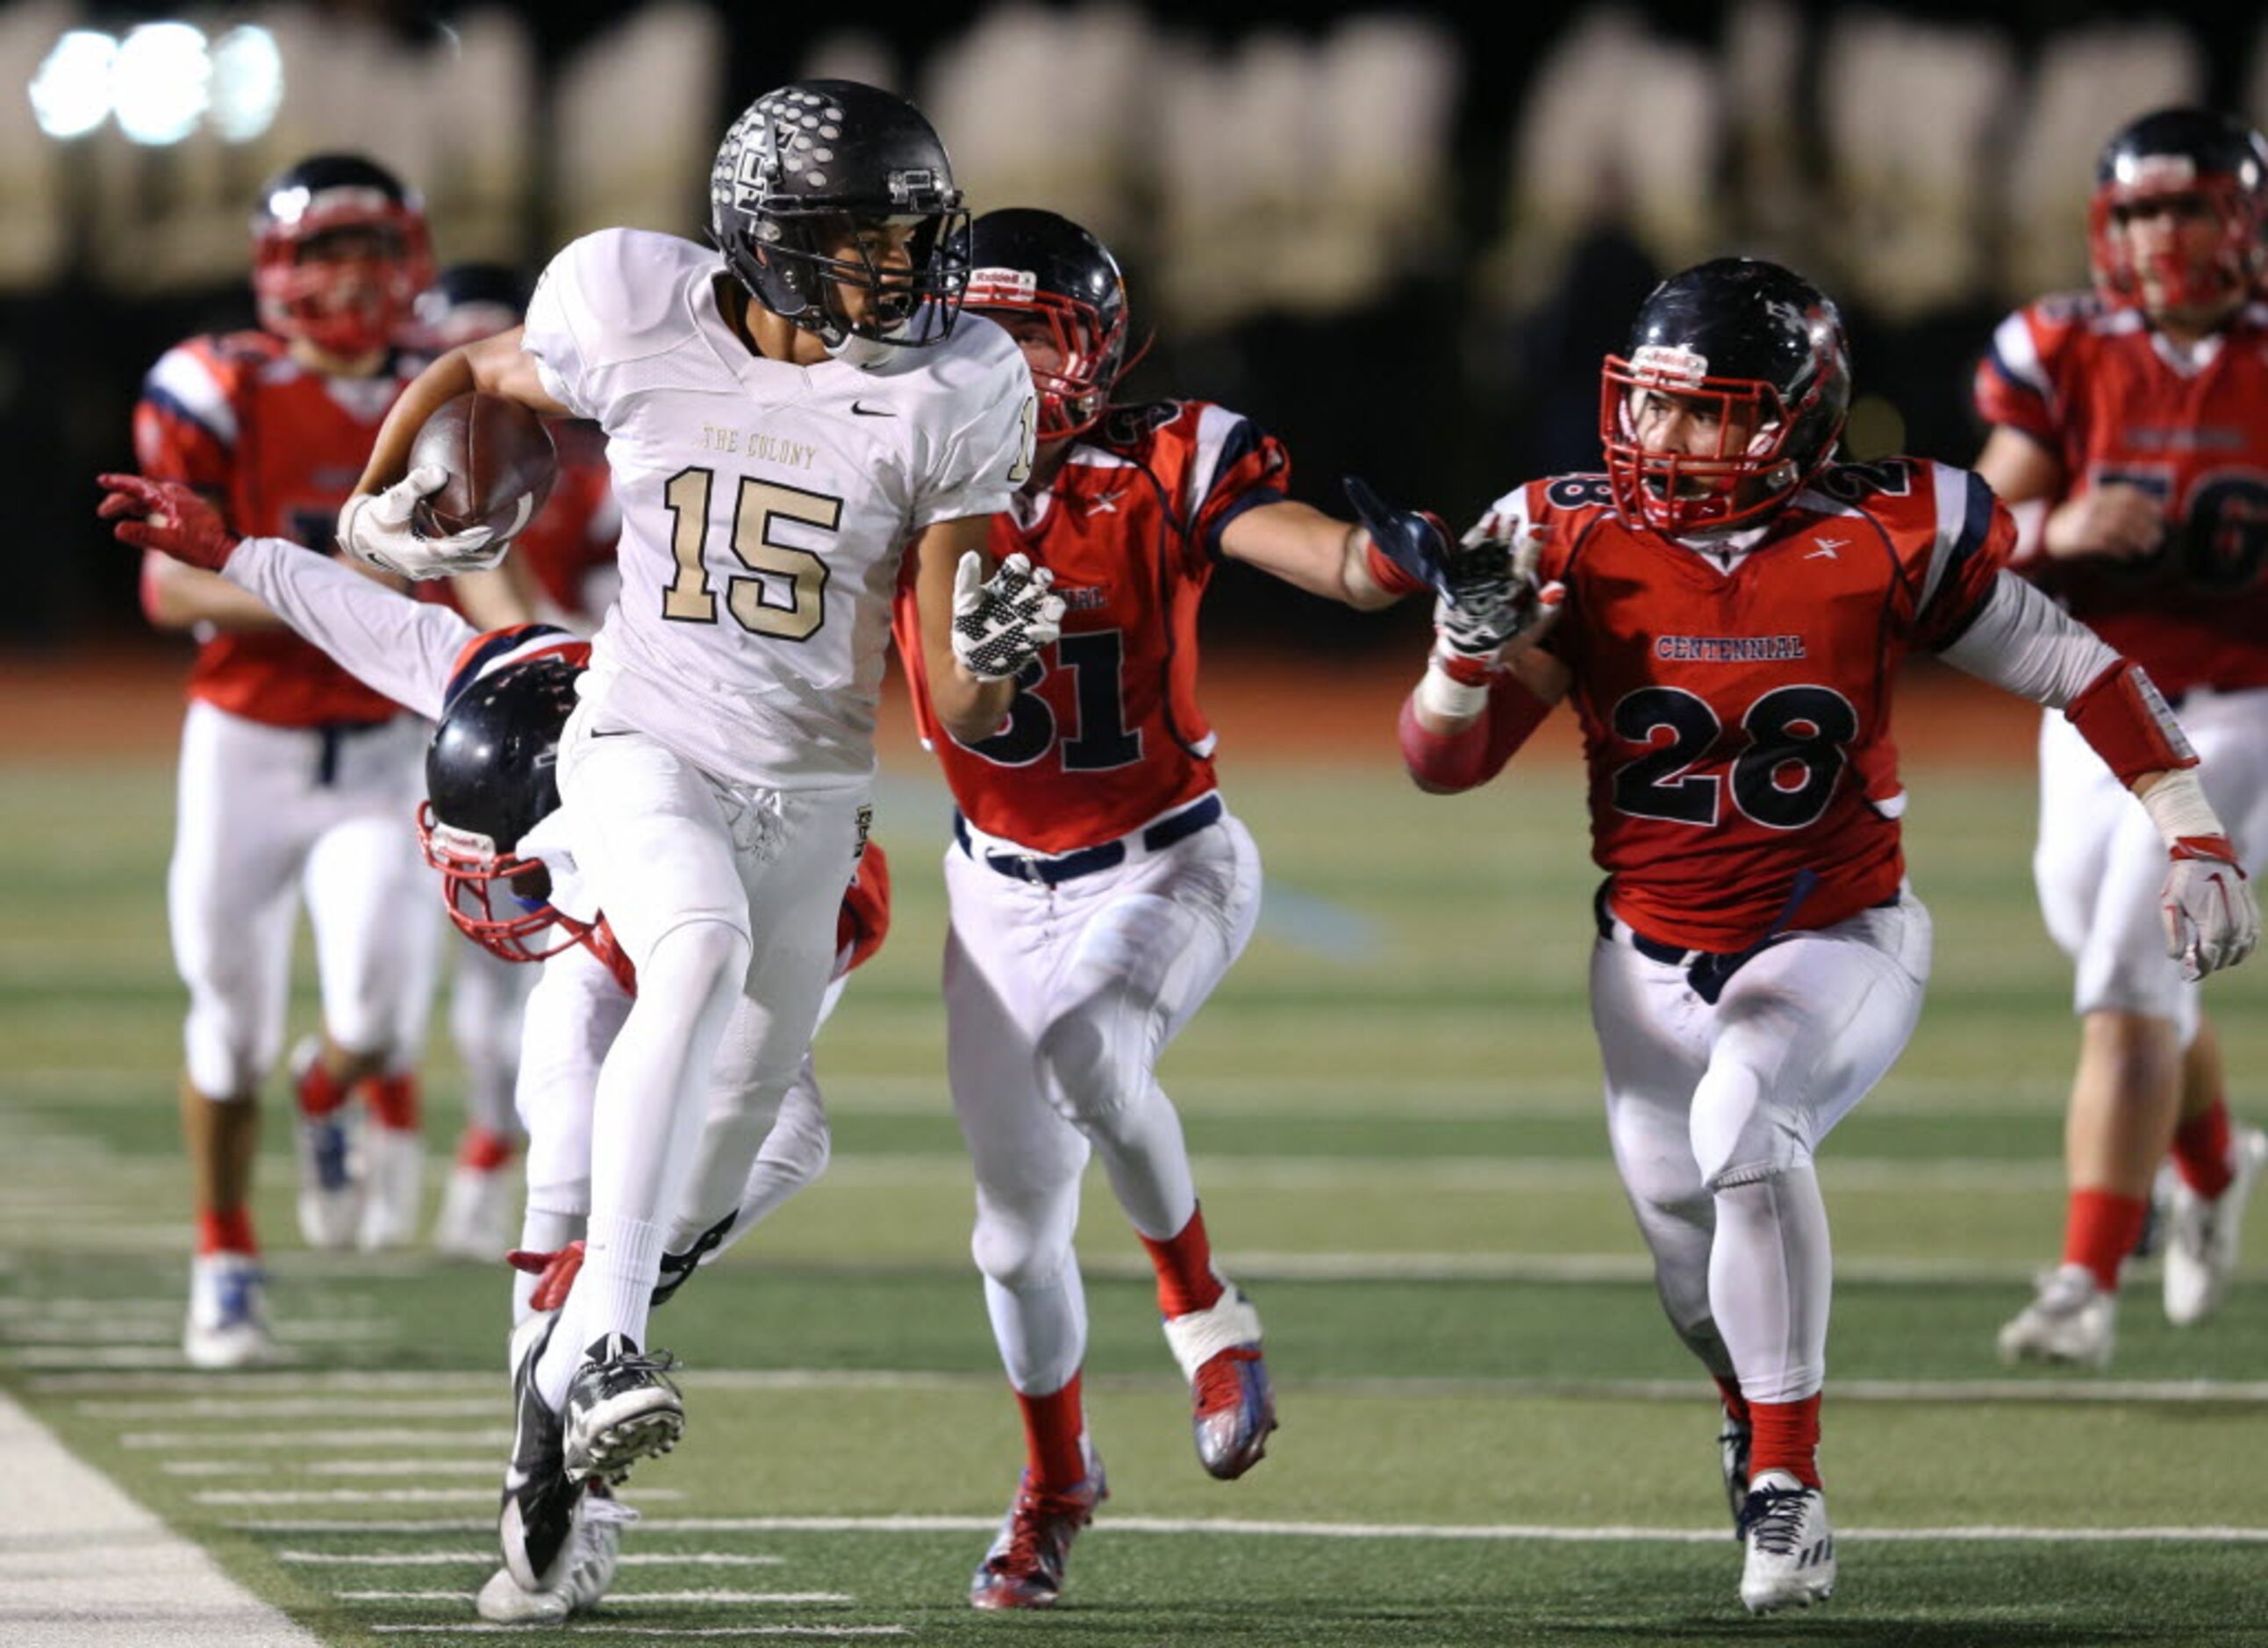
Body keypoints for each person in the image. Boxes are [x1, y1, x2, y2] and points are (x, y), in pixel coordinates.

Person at [1387, 257, 2257, 1614]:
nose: (1662, 443)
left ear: (1795, 419)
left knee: (1748, 1121)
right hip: (1643, 959)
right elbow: (1447, 766)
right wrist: (1459, 654)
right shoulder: (1569, 534)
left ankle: (1790, 1491)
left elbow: (2078, 668)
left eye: (1707, 413)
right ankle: (1752, 1417)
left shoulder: (1884, 536)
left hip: (1834, 927)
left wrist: (2191, 821)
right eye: (1651, 408)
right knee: (1693, 1275)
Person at [329, 77, 1041, 1567]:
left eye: (909, 237)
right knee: (692, 952)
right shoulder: (635, 301)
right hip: (640, 740)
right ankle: (598, 1354)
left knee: (723, 1155)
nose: (898, 269)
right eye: (861, 238)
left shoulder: (955, 383)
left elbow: (959, 702)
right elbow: (477, 369)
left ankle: (557, 1399)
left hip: (815, 796)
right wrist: (374, 507)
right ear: (768, 240)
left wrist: (1004, 667)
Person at [94, 472, 888, 1622]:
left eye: (517, 857)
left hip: (739, 932)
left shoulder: (803, 873)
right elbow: (399, 633)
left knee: (762, 1146)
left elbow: (748, 1065)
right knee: (561, 1181)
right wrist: (241, 553)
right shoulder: (525, 675)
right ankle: (561, 1455)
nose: (499, 882)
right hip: (618, 947)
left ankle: (581, 1367)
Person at [887, 208, 1430, 1609]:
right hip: (992, 880)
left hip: (1163, 857)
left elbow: (1298, 546)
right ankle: (1057, 1479)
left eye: (1038, 332)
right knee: (1010, 1235)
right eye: (985, 328)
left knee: (1089, 1045)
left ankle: (1201, 1305)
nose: (1008, 360)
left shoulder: (1164, 452)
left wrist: (1383, 569)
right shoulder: (892, 453)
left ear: (1099, 348)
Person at [133, 153, 454, 1366]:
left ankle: (334, 1088)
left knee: (374, 1011)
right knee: (228, 1023)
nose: (355, 278)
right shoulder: (214, 386)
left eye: (374, 250)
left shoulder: (440, 386)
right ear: (279, 267)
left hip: (380, 748)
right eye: (328, 251)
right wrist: (343, 589)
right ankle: (224, 1256)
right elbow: (169, 587)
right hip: (246, 747)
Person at [1973, 107, 2268, 1368]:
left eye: (2186, 206)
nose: (2160, 237)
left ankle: (2084, 1280)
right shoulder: (2060, 346)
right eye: (2139, 211)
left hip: (2250, 698)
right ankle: (2214, 1158)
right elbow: (1982, 532)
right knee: (2089, 931)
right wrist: (2064, 531)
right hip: (2100, 693)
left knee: (2126, 976)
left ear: (2240, 218)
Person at [409, 262, 625, 1261]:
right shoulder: (412, 466)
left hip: (574, 733)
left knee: (550, 981)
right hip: (443, 726)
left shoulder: (606, 474)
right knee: (433, 982)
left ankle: (510, 1164)